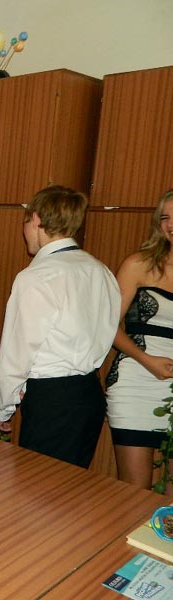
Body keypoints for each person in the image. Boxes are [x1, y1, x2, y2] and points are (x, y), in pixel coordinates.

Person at [0, 185, 121, 468]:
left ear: (36, 219)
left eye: (26, 221)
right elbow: (108, 329)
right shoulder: (101, 270)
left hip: (53, 401)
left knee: (39, 488)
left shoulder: (37, 277)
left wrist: (3, 407)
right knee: (70, 488)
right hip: (90, 394)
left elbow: (18, 352)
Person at [106, 189, 173, 491]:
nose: (170, 224)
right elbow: (107, 326)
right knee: (134, 491)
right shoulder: (138, 264)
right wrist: (147, 361)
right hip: (135, 383)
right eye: (165, 217)